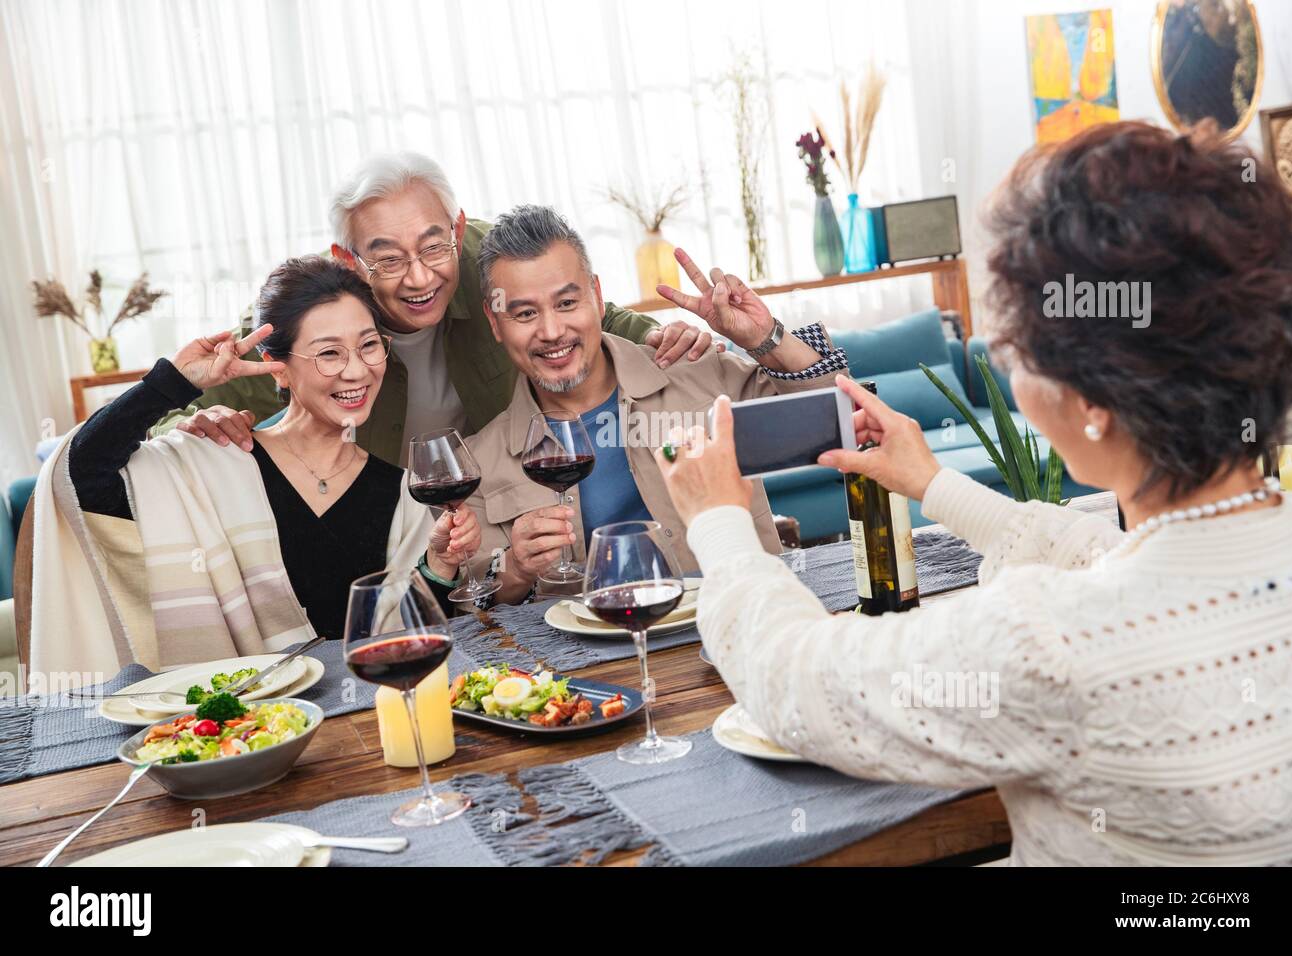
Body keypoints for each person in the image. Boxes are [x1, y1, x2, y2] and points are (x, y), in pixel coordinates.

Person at [652, 121, 1292, 865]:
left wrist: (721, 525)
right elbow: (1103, 553)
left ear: (1093, 398)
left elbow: (795, 681)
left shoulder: (1051, 642)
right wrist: (932, 483)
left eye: (1014, 344)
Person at [32, 258, 481, 680]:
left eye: (368, 346)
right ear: (278, 369)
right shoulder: (213, 460)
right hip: (240, 735)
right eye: (329, 354)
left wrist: (438, 566)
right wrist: (175, 381)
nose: (356, 371)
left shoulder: (399, 491)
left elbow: (407, 636)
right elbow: (79, 474)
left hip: (361, 725)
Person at [150, 153, 718, 465]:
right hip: (376, 521)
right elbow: (172, 421)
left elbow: (593, 314)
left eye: (432, 247)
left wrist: (664, 338)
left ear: (459, 229)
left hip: (494, 500)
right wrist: (197, 419)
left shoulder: (490, 262)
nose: (421, 277)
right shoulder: (308, 313)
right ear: (347, 260)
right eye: (389, 259)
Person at [462, 204, 848, 604]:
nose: (552, 331)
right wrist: (517, 567)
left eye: (566, 304)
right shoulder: (478, 462)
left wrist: (763, 337)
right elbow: (481, 603)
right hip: (596, 662)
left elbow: (840, 422)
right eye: (525, 313)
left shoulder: (700, 372)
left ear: (596, 295)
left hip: (750, 626)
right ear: (495, 323)